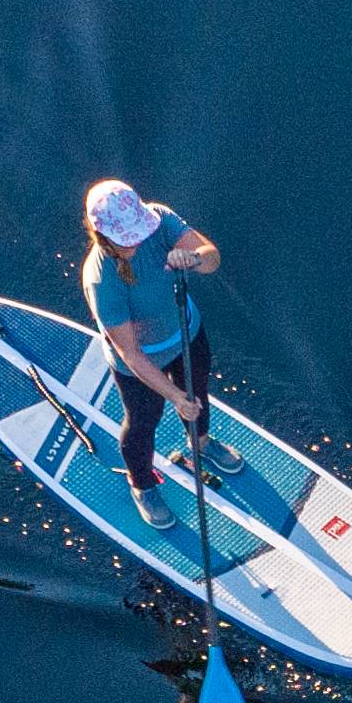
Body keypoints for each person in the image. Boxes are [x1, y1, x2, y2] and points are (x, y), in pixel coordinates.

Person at [81, 176, 236, 522]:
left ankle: (201, 444)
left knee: (198, 396)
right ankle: (143, 485)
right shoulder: (101, 279)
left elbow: (212, 258)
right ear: (102, 235)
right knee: (142, 421)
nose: (139, 240)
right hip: (139, 362)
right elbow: (131, 354)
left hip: (187, 336)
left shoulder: (161, 219)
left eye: (139, 231)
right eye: (127, 238)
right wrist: (173, 396)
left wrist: (194, 258)